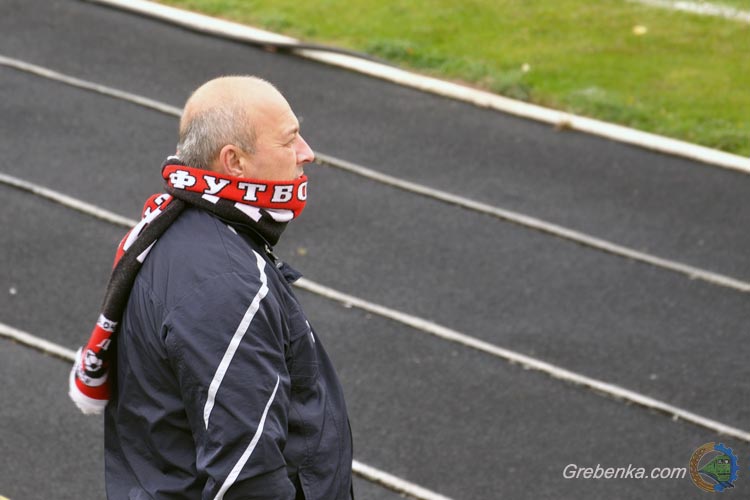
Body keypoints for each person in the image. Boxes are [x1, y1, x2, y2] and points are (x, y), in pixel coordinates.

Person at [69, 76, 354, 499]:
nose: (306, 153)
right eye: (289, 140)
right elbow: (247, 475)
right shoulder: (227, 284)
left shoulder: (178, 230)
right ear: (234, 162)